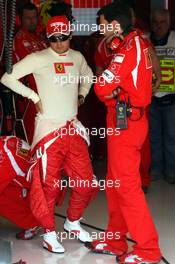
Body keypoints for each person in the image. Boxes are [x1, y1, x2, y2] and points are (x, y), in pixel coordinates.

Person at [1, 15, 99, 253]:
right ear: (48, 38)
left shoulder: (77, 57)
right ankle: (49, 232)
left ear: (70, 36)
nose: (58, 43)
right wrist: (33, 97)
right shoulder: (38, 58)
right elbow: (7, 77)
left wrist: (82, 94)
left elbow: (88, 75)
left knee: (86, 183)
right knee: (48, 188)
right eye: (53, 39)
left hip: (72, 129)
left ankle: (73, 221)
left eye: (63, 38)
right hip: (48, 133)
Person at [85, 3, 162, 263]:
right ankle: (116, 240)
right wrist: (118, 95)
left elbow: (101, 87)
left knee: (127, 188)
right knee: (116, 184)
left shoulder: (127, 49)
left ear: (115, 25)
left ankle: (148, 250)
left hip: (126, 123)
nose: (99, 28)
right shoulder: (134, 42)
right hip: (127, 119)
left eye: (103, 23)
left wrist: (114, 96)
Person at [13, 2, 47, 144]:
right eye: (28, 18)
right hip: (29, 96)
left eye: (34, 17)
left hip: (45, 93)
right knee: (34, 135)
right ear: (19, 19)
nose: (32, 21)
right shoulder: (18, 40)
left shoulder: (40, 39)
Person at [149, 9, 175, 184]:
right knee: (153, 137)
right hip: (150, 98)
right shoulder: (144, 40)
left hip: (172, 98)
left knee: (172, 137)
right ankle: (156, 170)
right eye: (155, 22)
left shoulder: (174, 39)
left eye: (162, 22)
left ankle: (171, 171)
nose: (159, 26)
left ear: (169, 23)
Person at [0, 136, 39, 236]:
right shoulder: (7, 141)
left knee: (2, 198)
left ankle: (32, 223)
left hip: (41, 191)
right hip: (38, 182)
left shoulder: (5, 159)